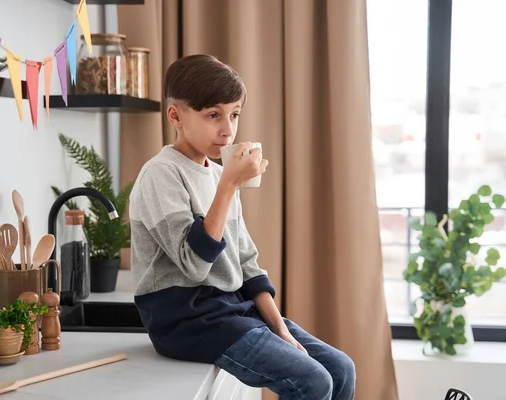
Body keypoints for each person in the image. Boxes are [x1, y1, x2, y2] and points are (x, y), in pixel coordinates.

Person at [129, 54, 356, 400]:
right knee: (312, 382)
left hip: (233, 311)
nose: (228, 129)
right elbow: (193, 264)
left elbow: (247, 263)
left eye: (234, 114)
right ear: (175, 115)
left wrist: (280, 328)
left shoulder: (221, 175)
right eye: (213, 115)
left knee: (341, 369)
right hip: (187, 322)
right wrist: (227, 188)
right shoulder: (161, 174)